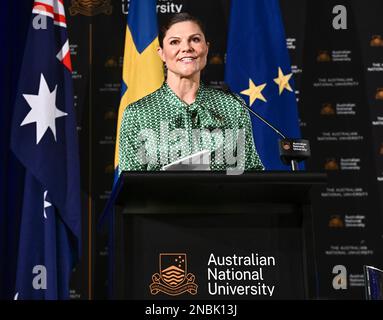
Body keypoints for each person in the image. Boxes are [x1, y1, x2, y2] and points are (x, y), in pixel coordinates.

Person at [118, 13, 264, 173]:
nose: (186, 48)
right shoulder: (137, 114)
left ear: (206, 48)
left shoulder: (233, 106)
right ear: (161, 53)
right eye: (175, 42)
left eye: (195, 39)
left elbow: (251, 172)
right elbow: (130, 186)